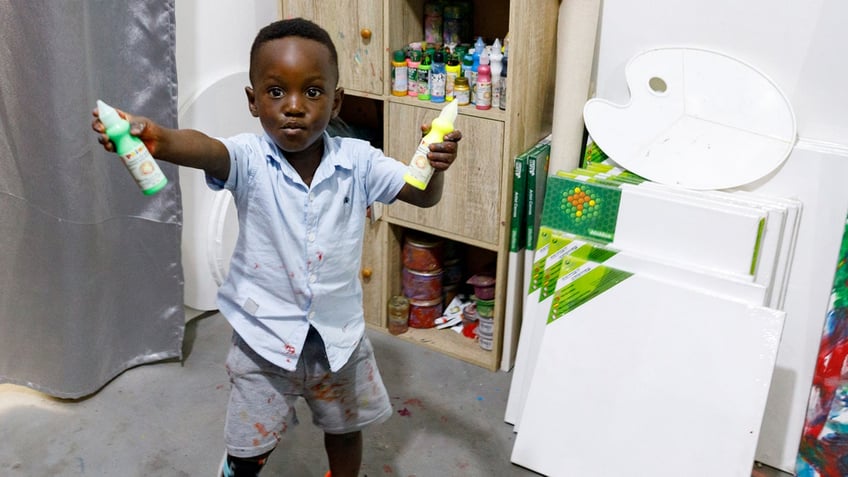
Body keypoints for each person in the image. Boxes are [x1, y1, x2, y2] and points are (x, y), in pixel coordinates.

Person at [92, 17, 461, 477]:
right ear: (252, 101)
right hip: (263, 340)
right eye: (274, 91)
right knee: (248, 446)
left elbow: (420, 193)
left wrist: (436, 167)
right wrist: (158, 138)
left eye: (311, 92)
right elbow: (205, 148)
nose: (293, 107)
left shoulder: (359, 161)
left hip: (337, 339)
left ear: (335, 99)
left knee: (346, 429)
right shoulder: (248, 159)